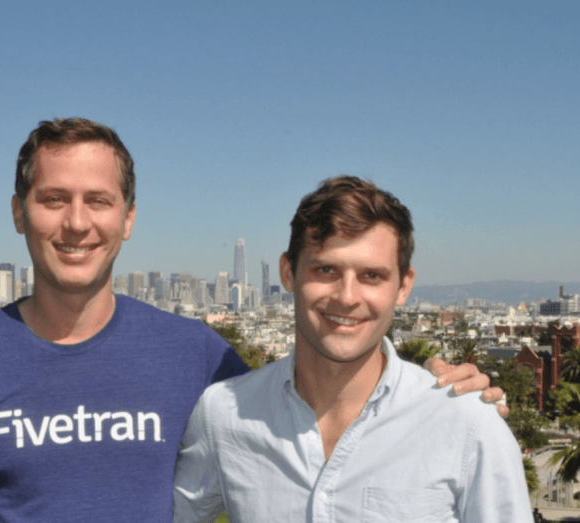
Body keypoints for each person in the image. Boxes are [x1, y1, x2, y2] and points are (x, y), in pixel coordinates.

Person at [0, 119, 500, 523]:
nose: (76, 223)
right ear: (18, 213)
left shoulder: (196, 355)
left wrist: (433, 392)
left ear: (128, 218)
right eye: (53, 199)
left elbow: (308, 391)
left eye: (98, 201)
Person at [174, 176, 532, 522]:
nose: (347, 297)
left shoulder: (466, 422)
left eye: (371, 276)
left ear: (403, 286)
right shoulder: (224, 416)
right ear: (288, 273)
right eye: (326, 269)